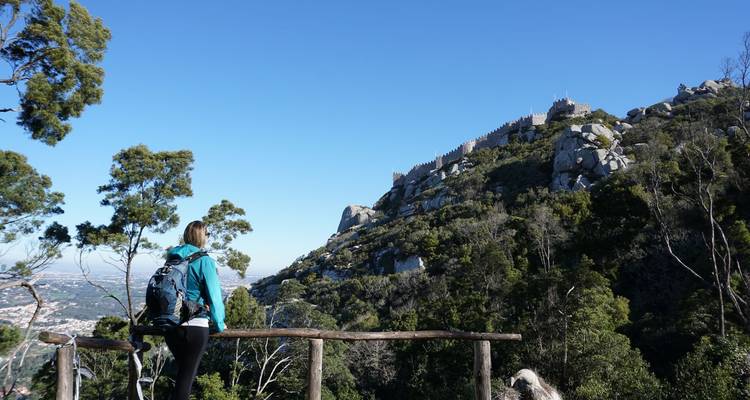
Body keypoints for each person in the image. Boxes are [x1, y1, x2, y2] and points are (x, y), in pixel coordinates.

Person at [164, 220, 225, 400]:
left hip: (171, 324)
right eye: (207, 234)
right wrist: (219, 324)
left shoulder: (172, 257)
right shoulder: (205, 261)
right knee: (186, 380)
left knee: (182, 374)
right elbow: (214, 296)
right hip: (195, 325)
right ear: (202, 236)